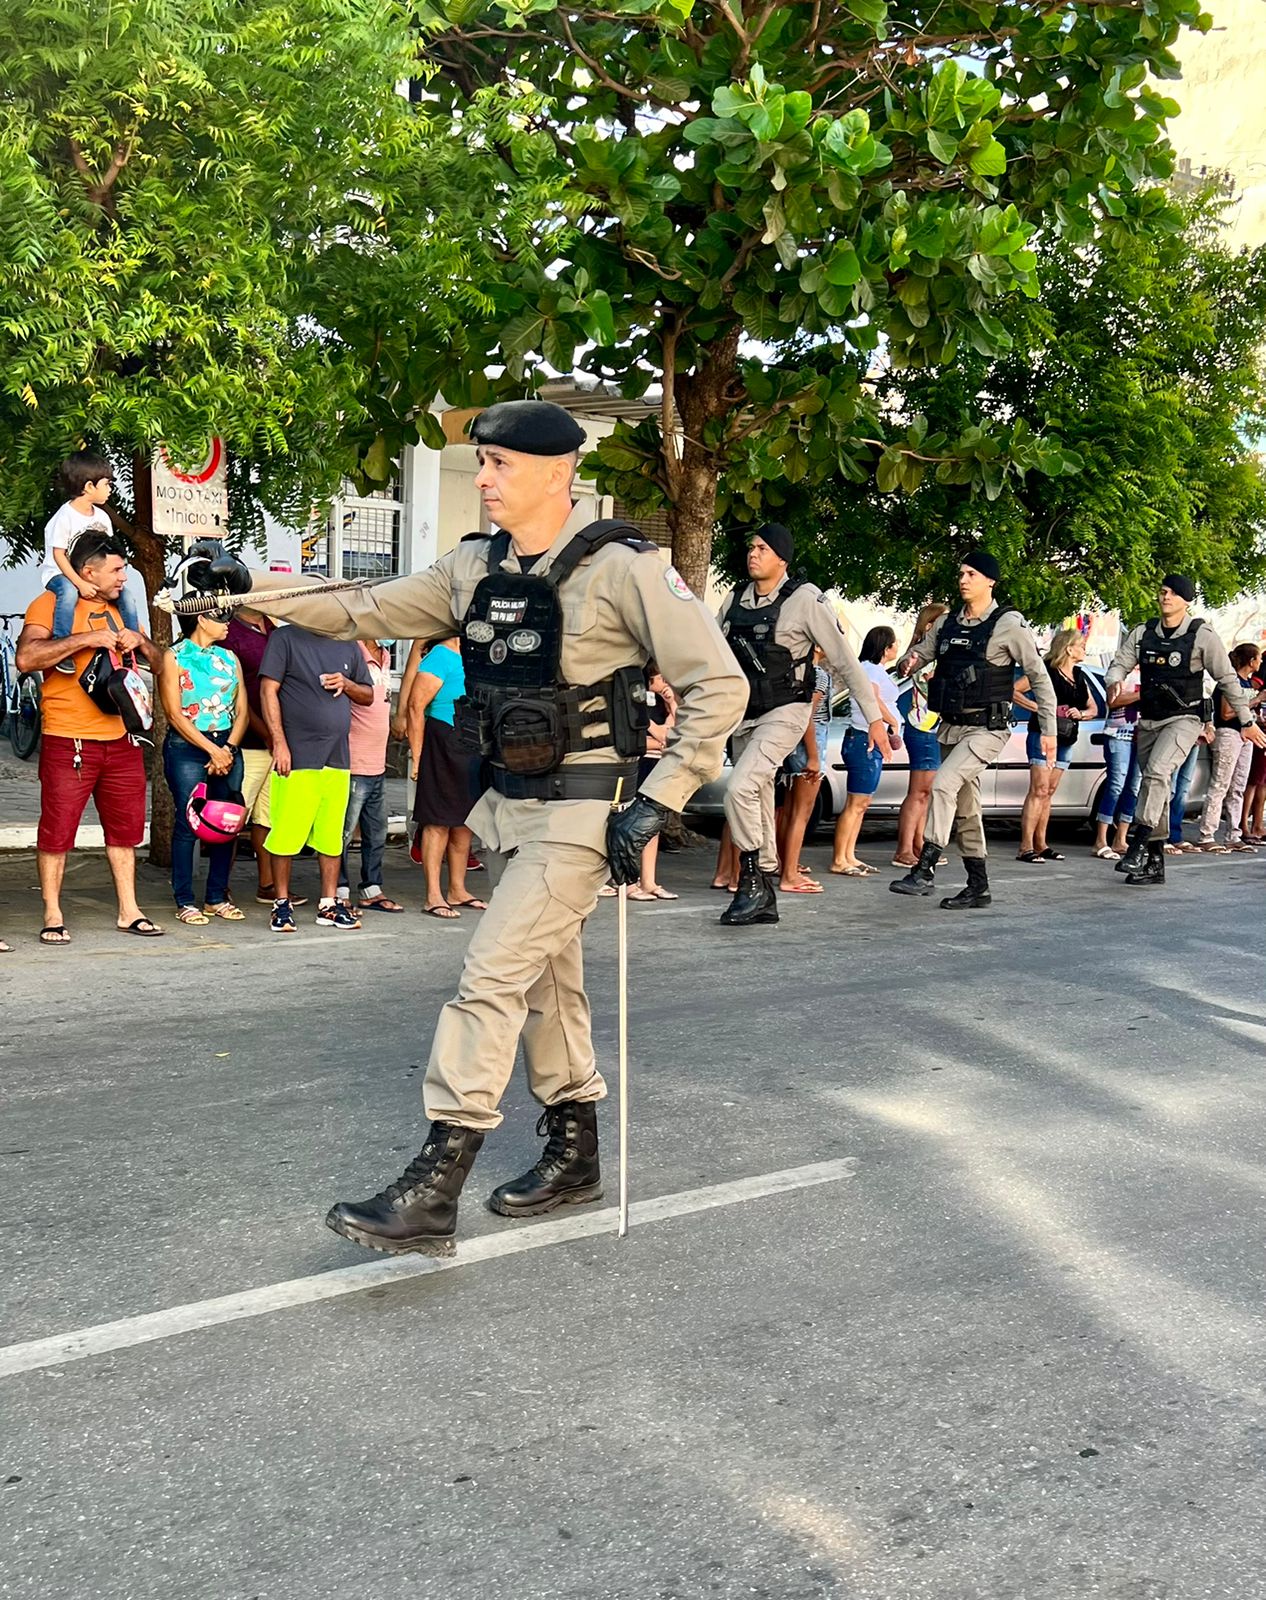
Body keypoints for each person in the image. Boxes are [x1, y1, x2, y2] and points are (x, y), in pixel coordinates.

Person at [193, 399, 747, 1255]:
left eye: (499, 464)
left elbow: (721, 685)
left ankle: (436, 1185)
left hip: (583, 810)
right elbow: (362, 606)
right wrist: (246, 589)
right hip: (508, 808)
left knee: (489, 977)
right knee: (548, 985)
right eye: (481, 462)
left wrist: (660, 797)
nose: (483, 478)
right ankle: (575, 1155)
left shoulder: (627, 568)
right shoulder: (473, 567)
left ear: (558, 472)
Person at [716, 523, 887, 927]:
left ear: (782, 559)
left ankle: (752, 881)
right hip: (744, 714)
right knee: (757, 796)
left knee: (739, 788)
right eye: (751, 547)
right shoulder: (735, 599)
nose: (753, 553)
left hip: (787, 710)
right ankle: (765, 882)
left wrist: (875, 719)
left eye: (762, 548)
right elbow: (710, 651)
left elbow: (846, 661)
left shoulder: (806, 599)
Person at [16, 534, 163, 941]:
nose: (123, 577)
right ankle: (52, 914)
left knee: (125, 831)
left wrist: (141, 640)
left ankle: (129, 910)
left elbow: (161, 664)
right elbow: (26, 658)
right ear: (88, 572)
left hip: (123, 738)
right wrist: (86, 639)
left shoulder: (123, 609)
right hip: (69, 738)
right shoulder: (50, 603)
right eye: (116, 570)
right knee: (57, 832)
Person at [891, 551, 1057, 909]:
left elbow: (1039, 676)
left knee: (943, 784)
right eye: (962, 574)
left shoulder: (1008, 624)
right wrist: (910, 661)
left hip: (987, 728)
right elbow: (922, 651)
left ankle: (925, 868)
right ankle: (978, 886)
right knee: (967, 809)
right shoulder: (948, 622)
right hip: (951, 728)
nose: (963, 580)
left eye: (972, 574)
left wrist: (1049, 729)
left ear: (990, 581)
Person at [1105, 575, 1266, 886]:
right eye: (1163, 591)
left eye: (1173, 593)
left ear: (1186, 601)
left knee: (1156, 772)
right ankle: (1155, 863)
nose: (1165, 597)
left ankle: (1137, 844)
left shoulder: (1202, 635)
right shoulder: (1143, 632)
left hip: (1185, 719)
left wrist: (1246, 721)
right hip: (1150, 719)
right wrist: (1113, 680)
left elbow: (1227, 680)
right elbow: (1119, 663)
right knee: (1157, 787)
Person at [258, 623, 374, 931]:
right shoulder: (285, 638)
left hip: (337, 756)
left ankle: (328, 904)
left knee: (331, 835)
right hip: (297, 755)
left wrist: (347, 684)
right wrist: (279, 743)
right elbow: (268, 690)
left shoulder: (348, 642)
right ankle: (281, 904)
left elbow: (368, 695)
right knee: (286, 832)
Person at [159, 609, 248, 924]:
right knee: (189, 822)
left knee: (227, 821)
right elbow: (174, 713)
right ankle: (184, 899)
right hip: (188, 746)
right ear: (201, 619)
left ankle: (216, 897)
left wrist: (228, 749)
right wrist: (212, 750)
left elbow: (242, 710)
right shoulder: (174, 656)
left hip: (226, 744)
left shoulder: (229, 657)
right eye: (220, 618)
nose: (227, 624)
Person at [225, 606, 305, 907]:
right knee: (233, 818)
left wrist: (279, 737)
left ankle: (268, 884)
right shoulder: (230, 633)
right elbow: (237, 693)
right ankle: (219, 888)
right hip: (247, 741)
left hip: (279, 744)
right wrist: (269, 734)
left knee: (268, 818)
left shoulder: (275, 630)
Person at [39, 453, 140, 672]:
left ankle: (136, 645)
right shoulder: (65, 516)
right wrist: (79, 583)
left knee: (127, 596)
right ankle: (62, 645)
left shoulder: (102, 518)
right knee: (68, 593)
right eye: (107, 484)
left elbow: (109, 551)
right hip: (61, 573)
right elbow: (58, 555)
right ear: (89, 486)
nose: (110, 489)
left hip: (89, 574)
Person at [408, 635, 485, 919]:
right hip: (442, 740)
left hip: (472, 741)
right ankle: (433, 895)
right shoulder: (441, 655)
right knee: (438, 820)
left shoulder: (478, 653)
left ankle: (457, 889)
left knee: (464, 822)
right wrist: (418, 757)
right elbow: (415, 707)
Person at [1014, 627, 1093, 863]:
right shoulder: (1046, 670)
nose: (1084, 649)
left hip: (1066, 737)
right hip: (1042, 734)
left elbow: (1093, 708)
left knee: (1048, 791)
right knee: (1038, 789)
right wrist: (1039, 709)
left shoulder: (1079, 675)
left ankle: (1041, 843)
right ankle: (1026, 846)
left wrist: (1081, 713)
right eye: (1081, 645)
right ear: (1069, 649)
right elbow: (1015, 690)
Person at [828, 626, 902, 876]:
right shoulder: (869, 670)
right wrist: (891, 720)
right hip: (863, 738)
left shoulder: (877, 670)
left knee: (863, 802)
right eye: (894, 643)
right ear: (885, 647)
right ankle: (839, 858)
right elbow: (871, 698)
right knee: (855, 802)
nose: (897, 647)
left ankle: (849, 855)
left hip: (869, 739)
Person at [338, 638, 404, 912]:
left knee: (377, 832)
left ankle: (371, 888)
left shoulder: (386, 654)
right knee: (342, 832)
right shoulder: (353, 652)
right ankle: (339, 889)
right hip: (355, 762)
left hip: (377, 763)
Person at [892, 603, 948, 869]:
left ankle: (917, 844)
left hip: (934, 727)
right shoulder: (924, 654)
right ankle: (904, 848)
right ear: (930, 626)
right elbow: (918, 673)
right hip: (923, 726)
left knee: (926, 792)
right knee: (919, 791)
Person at [1194, 642, 1262, 854]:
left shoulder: (1248, 683)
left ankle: (1234, 834)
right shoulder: (1230, 681)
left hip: (1245, 734)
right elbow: (1225, 713)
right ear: (1251, 661)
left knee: (1238, 786)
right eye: (1259, 658)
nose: (1260, 662)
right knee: (1220, 784)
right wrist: (1255, 701)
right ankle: (1207, 834)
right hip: (1228, 733)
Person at [772, 651, 827, 896]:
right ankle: (790, 873)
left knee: (789, 812)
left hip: (790, 744)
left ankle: (786, 865)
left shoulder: (792, 672)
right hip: (807, 746)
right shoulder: (818, 675)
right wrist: (814, 757)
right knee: (801, 814)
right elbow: (808, 716)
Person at [1091, 666, 1140, 860]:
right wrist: (1141, 694)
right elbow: (1113, 701)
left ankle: (1121, 838)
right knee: (1115, 785)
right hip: (1118, 733)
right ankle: (1100, 840)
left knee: (1133, 787)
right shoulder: (1119, 671)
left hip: (1142, 735)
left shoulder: (1152, 670)